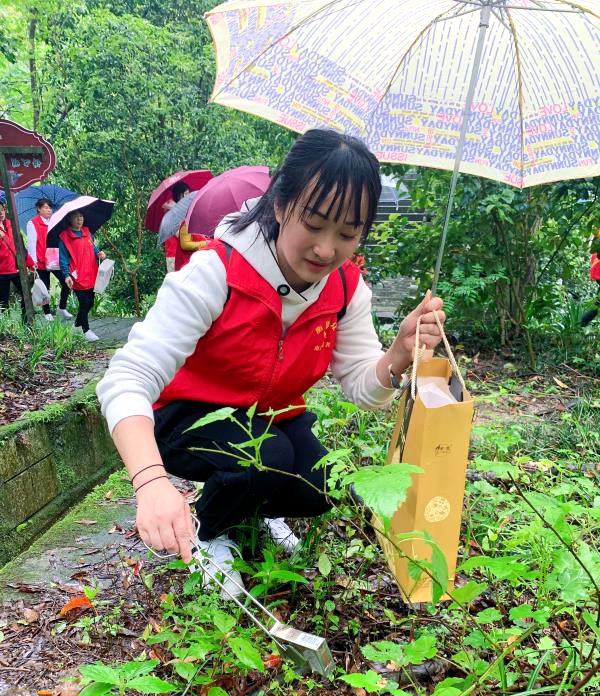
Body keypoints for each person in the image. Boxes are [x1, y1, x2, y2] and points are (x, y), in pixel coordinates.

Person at [96, 129, 446, 599]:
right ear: (281, 205)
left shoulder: (345, 289)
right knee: (267, 457)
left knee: (323, 484)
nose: (326, 250)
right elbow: (125, 378)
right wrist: (151, 482)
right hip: (184, 417)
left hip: (270, 418)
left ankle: (250, 508)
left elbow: (363, 388)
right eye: (315, 224)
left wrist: (398, 354)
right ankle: (207, 533)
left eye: (346, 233)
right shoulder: (215, 271)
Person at [59, 211, 106, 342]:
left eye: (81, 216)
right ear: (70, 219)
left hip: (91, 272)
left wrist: (99, 254)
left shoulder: (87, 232)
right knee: (84, 302)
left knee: (90, 302)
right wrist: (66, 275)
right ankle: (86, 330)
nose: (80, 219)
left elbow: (93, 248)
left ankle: (76, 325)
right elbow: (62, 259)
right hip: (77, 275)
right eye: (76, 217)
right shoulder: (64, 237)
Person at [27, 199, 73, 321]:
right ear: (39, 209)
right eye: (46, 208)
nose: (49, 210)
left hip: (53, 258)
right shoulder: (33, 223)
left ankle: (61, 307)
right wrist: (33, 262)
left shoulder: (53, 222)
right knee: (44, 287)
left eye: (50, 208)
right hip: (40, 260)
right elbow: (31, 244)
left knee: (66, 281)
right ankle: (47, 313)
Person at [171, 180, 208, 271]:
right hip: (187, 263)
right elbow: (185, 244)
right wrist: (205, 243)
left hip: (190, 260)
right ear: (181, 196)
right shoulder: (181, 215)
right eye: (187, 193)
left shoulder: (185, 212)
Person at [0, 200, 27, 317]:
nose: (0, 213)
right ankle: (6, 331)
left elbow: (21, 245)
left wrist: (29, 263)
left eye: (1, 209)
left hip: (16, 268)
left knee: (27, 297)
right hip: (2, 271)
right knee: (3, 303)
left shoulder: (11, 224)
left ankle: (27, 323)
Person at [581, 227, 600, 327]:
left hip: (597, 272)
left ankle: (581, 323)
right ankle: (581, 323)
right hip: (598, 270)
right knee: (598, 304)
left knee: (598, 303)